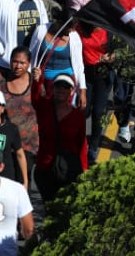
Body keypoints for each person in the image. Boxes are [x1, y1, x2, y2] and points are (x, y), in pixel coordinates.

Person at [32, 73, 87, 201]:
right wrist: (37, 81)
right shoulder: (44, 108)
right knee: (49, 206)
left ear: (72, 91)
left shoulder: (78, 116)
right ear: (52, 89)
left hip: (69, 169)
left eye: (66, 87)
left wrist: (84, 169)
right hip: (45, 167)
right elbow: (35, 97)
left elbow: (81, 143)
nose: (61, 89)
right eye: (58, 86)